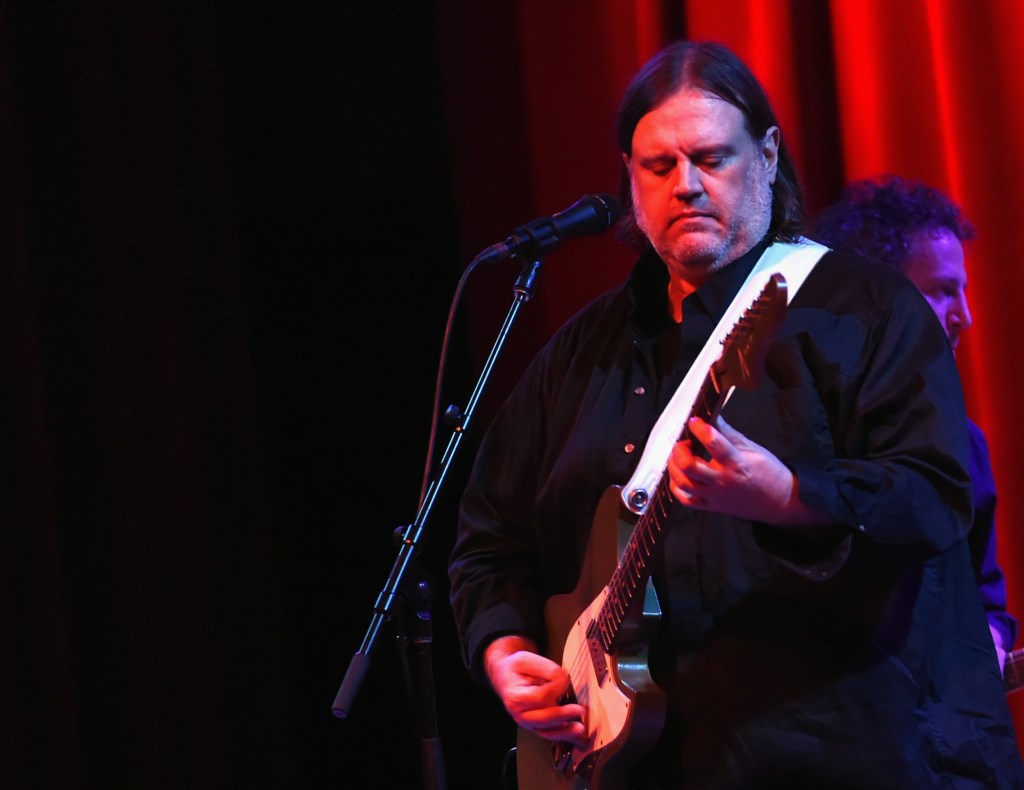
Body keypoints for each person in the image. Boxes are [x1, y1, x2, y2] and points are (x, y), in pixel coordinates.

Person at [448, 40, 1024, 788]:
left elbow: (936, 498)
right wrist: (504, 651)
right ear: (629, 175)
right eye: (659, 166)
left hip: (851, 755)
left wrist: (788, 497)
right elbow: (489, 540)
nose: (686, 185)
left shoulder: (867, 311)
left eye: (712, 159)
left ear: (769, 154)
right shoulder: (576, 358)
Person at [811, 175, 1019, 676]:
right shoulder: (801, 427)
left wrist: (989, 638)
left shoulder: (964, 443)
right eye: (944, 292)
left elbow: (986, 598)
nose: (965, 317)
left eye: (964, 293)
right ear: (880, 297)